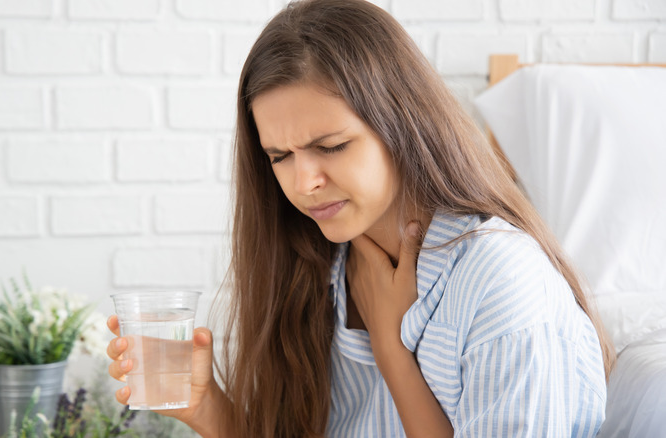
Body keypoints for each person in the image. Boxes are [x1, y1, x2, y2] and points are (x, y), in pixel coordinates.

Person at [106, 0, 615, 436]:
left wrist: (393, 353)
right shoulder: (326, 261)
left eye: (331, 146)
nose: (302, 183)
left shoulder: (500, 284)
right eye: (279, 156)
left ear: (403, 123)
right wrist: (209, 409)